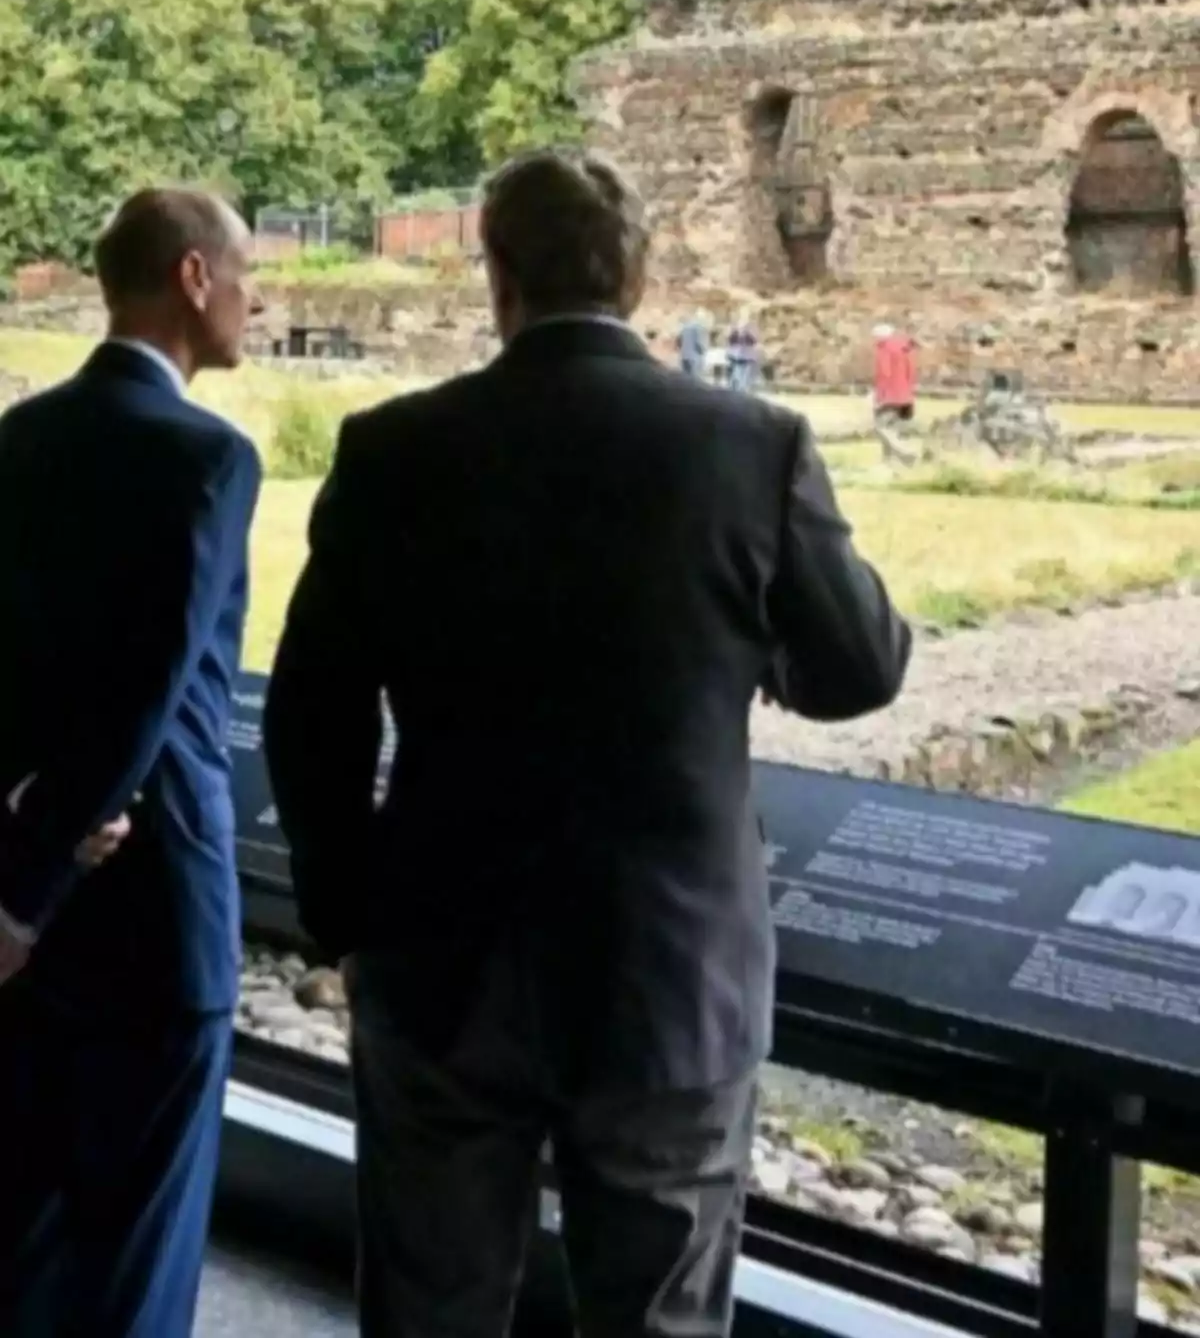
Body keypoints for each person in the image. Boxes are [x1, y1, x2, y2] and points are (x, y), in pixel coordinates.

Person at [264, 149, 911, 1338]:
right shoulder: (749, 447)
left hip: (442, 956)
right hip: (668, 971)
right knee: (657, 1319)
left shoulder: (394, 450)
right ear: (640, 277)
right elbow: (862, 665)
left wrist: (350, 917)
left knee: (429, 1308)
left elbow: (312, 714)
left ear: (494, 274)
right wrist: (751, 649)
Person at [0, 188, 263, 1338]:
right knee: (140, 1256)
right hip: (158, 900)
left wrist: (15, 866)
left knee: (27, 1227)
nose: (261, 300)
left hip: (29, 890)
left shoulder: (20, 436)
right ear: (194, 278)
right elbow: (145, 699)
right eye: (248, 274)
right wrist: (34, 882)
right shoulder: (208, 458)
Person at [676, 308, 709, 378]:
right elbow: (699, 343)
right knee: (695, 379)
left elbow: (678, 341)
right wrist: (703, 351)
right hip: (694, 357)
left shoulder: (684, 327)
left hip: (684, 356)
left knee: (685, 379)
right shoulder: (698, 328)